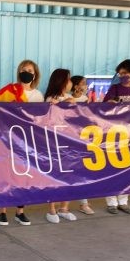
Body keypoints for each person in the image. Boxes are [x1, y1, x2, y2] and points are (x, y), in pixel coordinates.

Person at [0, 59, 43, 226]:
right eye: (23, 69)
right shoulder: (9, 90)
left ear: (35, 74)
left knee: (24, 176)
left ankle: (20, 212)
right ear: (19, 72)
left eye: (30, 70)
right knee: (6, 174)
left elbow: (41, 118)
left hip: (27, 140)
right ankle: (2, 211)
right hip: (8, 139)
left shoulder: (38, 95)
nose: (26, 72)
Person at [103, 59, 130, 214]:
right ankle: (111, 202)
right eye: (120, 73)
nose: (122, 76)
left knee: (128, 169)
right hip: (114, 133)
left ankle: (123, 201)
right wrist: (109, 103)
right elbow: (103, 107)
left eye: (125, 73)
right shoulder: (115, 88)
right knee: (112, 168)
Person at [42, 69, 78, 223]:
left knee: (69, 176)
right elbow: (50, 115)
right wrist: (65, 104)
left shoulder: (71, 97)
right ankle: (51, 209)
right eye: (68, 79)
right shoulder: (51, 98)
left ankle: (64, 208)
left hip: (70, 141)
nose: (70, 82)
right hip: (54, 143)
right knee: (54, 176)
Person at [70, 75, 95, 215]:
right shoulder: (68, 99)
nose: (85, 86)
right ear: (75, 86)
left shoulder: (86, 99)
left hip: (84, 140)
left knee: (83, 172)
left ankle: (84, 203)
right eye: (82, 83)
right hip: (70, 139)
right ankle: (64, 205)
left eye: (85, 83)